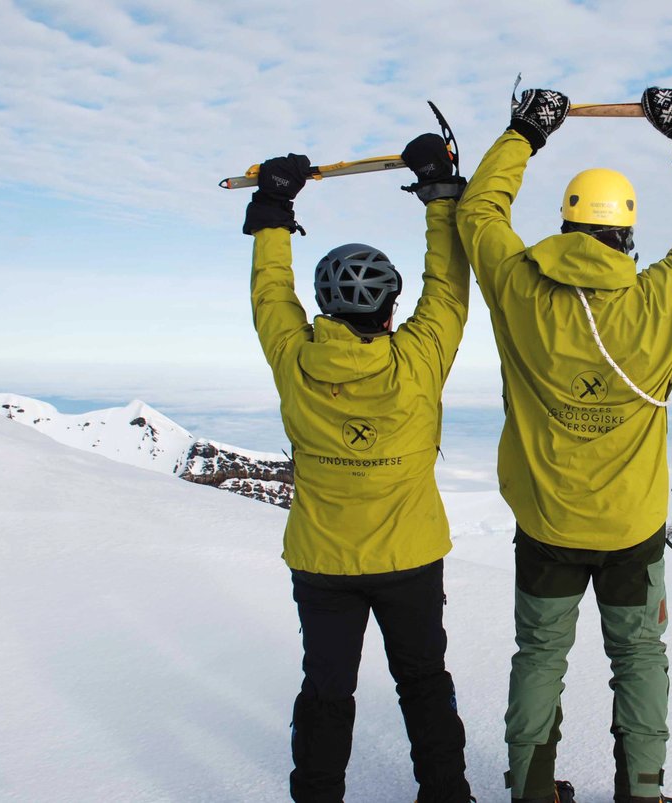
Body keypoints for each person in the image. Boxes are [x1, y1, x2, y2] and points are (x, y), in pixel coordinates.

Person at [456, 87, 672, 803]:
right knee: (639, 656)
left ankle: (529, 791)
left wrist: (525, 132)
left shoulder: (520, 289)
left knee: (540, 654)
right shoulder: (660, 299)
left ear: (564, 225)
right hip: (631, 530)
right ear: (628, 236)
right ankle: (641, 792)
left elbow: (477, 213)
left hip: (547, 523)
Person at [243, 132, 474, 803]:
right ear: (392, 304)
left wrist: (274, 207)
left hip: (323, 562)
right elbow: (451, 283)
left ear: (324, 304)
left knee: (327, 690)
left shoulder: (295, 359)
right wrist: (439, 191)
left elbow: (269, 293)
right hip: (411, 559)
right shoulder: (421, 358)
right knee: (425, 683)